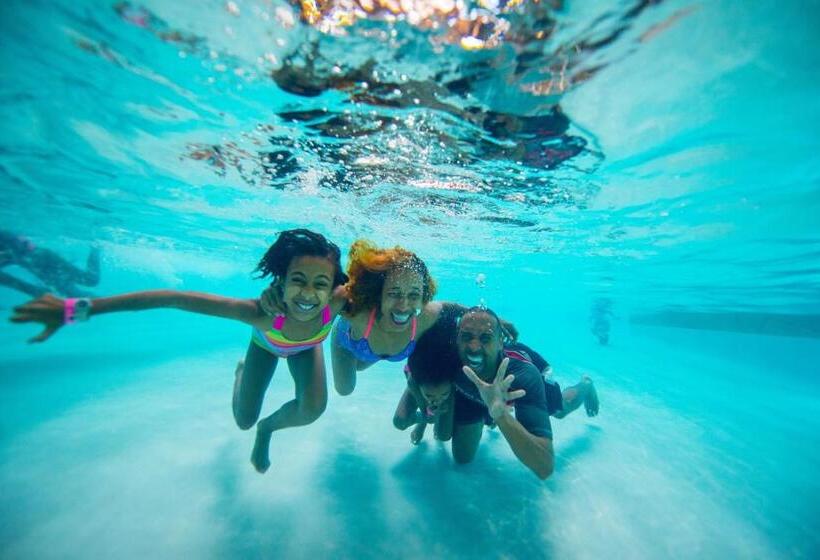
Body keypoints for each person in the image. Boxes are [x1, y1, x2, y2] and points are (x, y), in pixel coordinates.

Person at [9, 229, 348, 474]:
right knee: (243, 420)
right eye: (297, 279)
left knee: (312, 409)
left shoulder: (338, 302)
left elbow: (374, 276)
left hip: (306, 350)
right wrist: (74, 309)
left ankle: (267, 430)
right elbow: (172, 298)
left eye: (320, 284)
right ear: (281, 281)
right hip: (266, 345)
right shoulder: (260, 313)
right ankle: (241, 374)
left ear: (333, 287)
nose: (308, 293)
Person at [0, 230, 100, 297]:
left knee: (91, 280)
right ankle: (98, 302)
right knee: (70, 293)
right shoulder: (10, 252)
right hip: (38, 265)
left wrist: (35, 291)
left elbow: (24, 242)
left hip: (45, 258)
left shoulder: (7, 240)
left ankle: (95, 247)